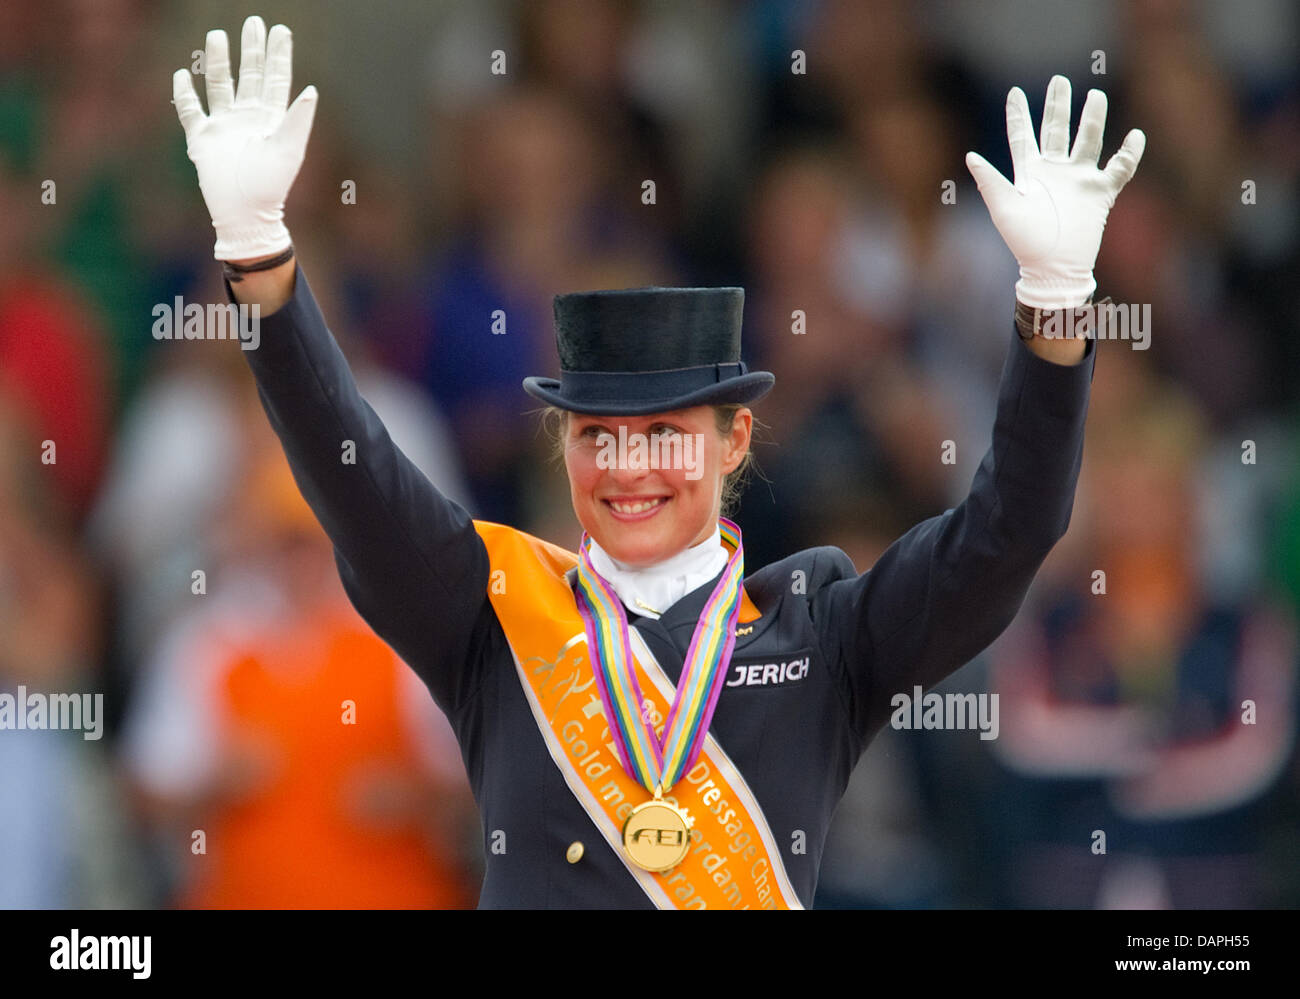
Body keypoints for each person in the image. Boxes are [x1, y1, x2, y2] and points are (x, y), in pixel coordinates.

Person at [171, 15, 1144, 908]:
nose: (629, 467)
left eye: (665, 434)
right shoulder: (493, 616)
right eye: (598, 436)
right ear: (564, 450)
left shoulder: (826, 632)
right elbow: (354, 475)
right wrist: (262, 263)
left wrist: (1054, 307)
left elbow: (1011, 528)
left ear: (735, 442)